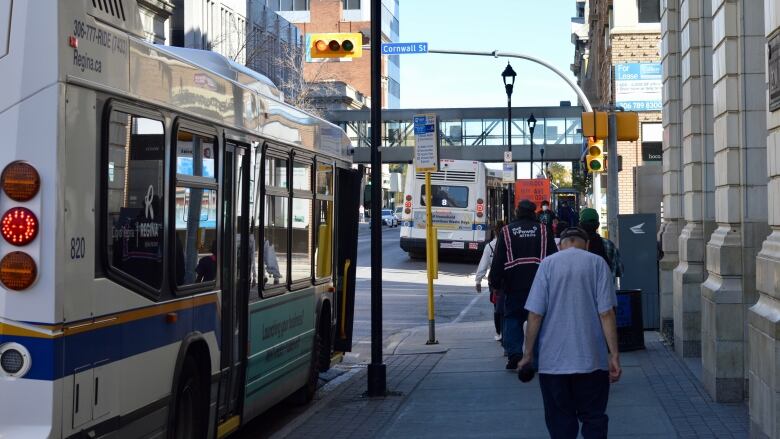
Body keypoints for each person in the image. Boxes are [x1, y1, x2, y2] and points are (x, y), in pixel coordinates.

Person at [519, 227, 621, 439]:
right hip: (592, 361)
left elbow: (535, 314)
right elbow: (607, 313)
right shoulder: (597, 263)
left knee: (560, 422)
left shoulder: (547, 264)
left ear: (560, 244)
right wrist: (614, 355)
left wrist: (528, 354)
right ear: (587, 244)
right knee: (594, 418)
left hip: (553, 363)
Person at [489, 200, 558, 369]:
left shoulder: (506, 231)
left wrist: (495, 283)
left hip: (513, 284)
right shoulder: (543, 230)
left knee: (512, 317)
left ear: (517, 211)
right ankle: (535, 357)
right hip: (539, 284)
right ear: (534, 212)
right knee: (538, 319)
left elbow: (498, 260)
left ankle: (515, 354)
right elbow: (553, 257)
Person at [475, 221, 505, 341]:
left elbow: (483, 264)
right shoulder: (510, 244)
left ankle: (499, 332)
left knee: (497, 307)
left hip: (495, 281)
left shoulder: (490, 246)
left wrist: (478, 280)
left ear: (495, 232)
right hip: (509, 279)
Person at [578, 208, 623, 279]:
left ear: (580, 225)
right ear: (598, 225)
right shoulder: (609, 245)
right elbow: (619, 271)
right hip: (606, 288)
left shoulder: (576, 246)